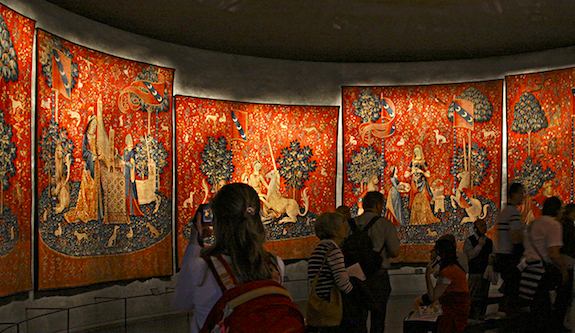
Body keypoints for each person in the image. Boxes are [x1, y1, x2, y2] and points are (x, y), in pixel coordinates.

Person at [173, 183, 285, 333]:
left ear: (217, 221)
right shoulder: (275, 264)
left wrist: (195, 241)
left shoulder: (203, 269)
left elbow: (181, 304)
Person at [354, 191, 400, 333]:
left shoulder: (351, 223)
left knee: (358, 318)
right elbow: (394, 251)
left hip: (355, 276)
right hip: (378, 276)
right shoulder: (385, 224)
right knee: (378, 318)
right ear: (378, 205)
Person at [519, 196, 567, 333]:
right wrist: (563, 270)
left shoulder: (534, 223)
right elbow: (553, 253)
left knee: (532, 310)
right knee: (544, 310)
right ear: (557, 210)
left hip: (527, 268)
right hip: (541, 272)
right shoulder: (554, 225)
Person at [307, 212, 354, 332]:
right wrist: (355, 294)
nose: (346, 226)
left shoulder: (319, 248)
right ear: (334, 229)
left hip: (321, 302)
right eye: (343, 223)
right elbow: (342, 281)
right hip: (331, 303)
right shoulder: (333, 250)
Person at [421, 235, 470, 333]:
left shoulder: (448, 272)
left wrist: (427, 275)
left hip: (453, 315)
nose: (431, 252)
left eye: (434, 250)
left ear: (440, 254)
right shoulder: (453, 267)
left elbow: (432, 296)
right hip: (454, 310)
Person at [65, 116, 104, 223]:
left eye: (96, 125)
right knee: (89, 188)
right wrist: (92, 156)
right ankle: (88, 211)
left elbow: (96, 149)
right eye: (93, 125)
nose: (94, 127)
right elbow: (84, 153)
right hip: (89, 166)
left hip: (96, 165)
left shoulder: (95, 137)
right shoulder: (85, 137)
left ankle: (96, 213)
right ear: (89, 125)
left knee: (96, 188)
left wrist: (99, 154)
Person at [494, 182, 525, 314]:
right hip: (510, 257)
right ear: (514, 194)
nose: (523, 197)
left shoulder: (504, 212)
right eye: (521, 193)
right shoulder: (513, 212)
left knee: (509, 290)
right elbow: (516, 237)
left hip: (501, 255)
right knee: (513, 292)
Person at [464, 219, 493, 320]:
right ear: (475, 228)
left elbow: (491, 255)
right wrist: (479, 245)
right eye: (481, 226)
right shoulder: (470, 240)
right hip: (475, 273)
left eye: (485, 225)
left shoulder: (489, 241)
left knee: (483, 297)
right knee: (473, 297)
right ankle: (471, 318)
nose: (484, 228)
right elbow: (470, 255)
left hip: (485, 273)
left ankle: (481, 317)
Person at [405, 145, 439, 225]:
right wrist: (411, 172)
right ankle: (415, 220)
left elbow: (428, 174)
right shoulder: (412, 162)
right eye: (415, 151)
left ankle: (424, 219)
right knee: (415, 200)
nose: (417, 153)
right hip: (414, 182)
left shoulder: (423, 162)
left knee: (424, 199)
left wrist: (421, 171)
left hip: (422, 182)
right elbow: (406, 174)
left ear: (420, 151)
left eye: (418, 151)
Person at [555, 203, 575, 331]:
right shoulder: (569, 227)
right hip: (567, 260)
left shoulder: (561, 225)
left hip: (561, 260)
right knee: (565, 293)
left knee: (562, 293)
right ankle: (560, 322)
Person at [123, 134, 144, 216]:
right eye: (128, 140)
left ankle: (132, 211)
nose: (129, 142)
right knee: (126, 191)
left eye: (130, 140)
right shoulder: (125, 150)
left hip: (130, 173)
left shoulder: (132, 152)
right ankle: (127, 210)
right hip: (125, 173)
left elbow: (132, 165)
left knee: (131, 190)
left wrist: (124, 163)